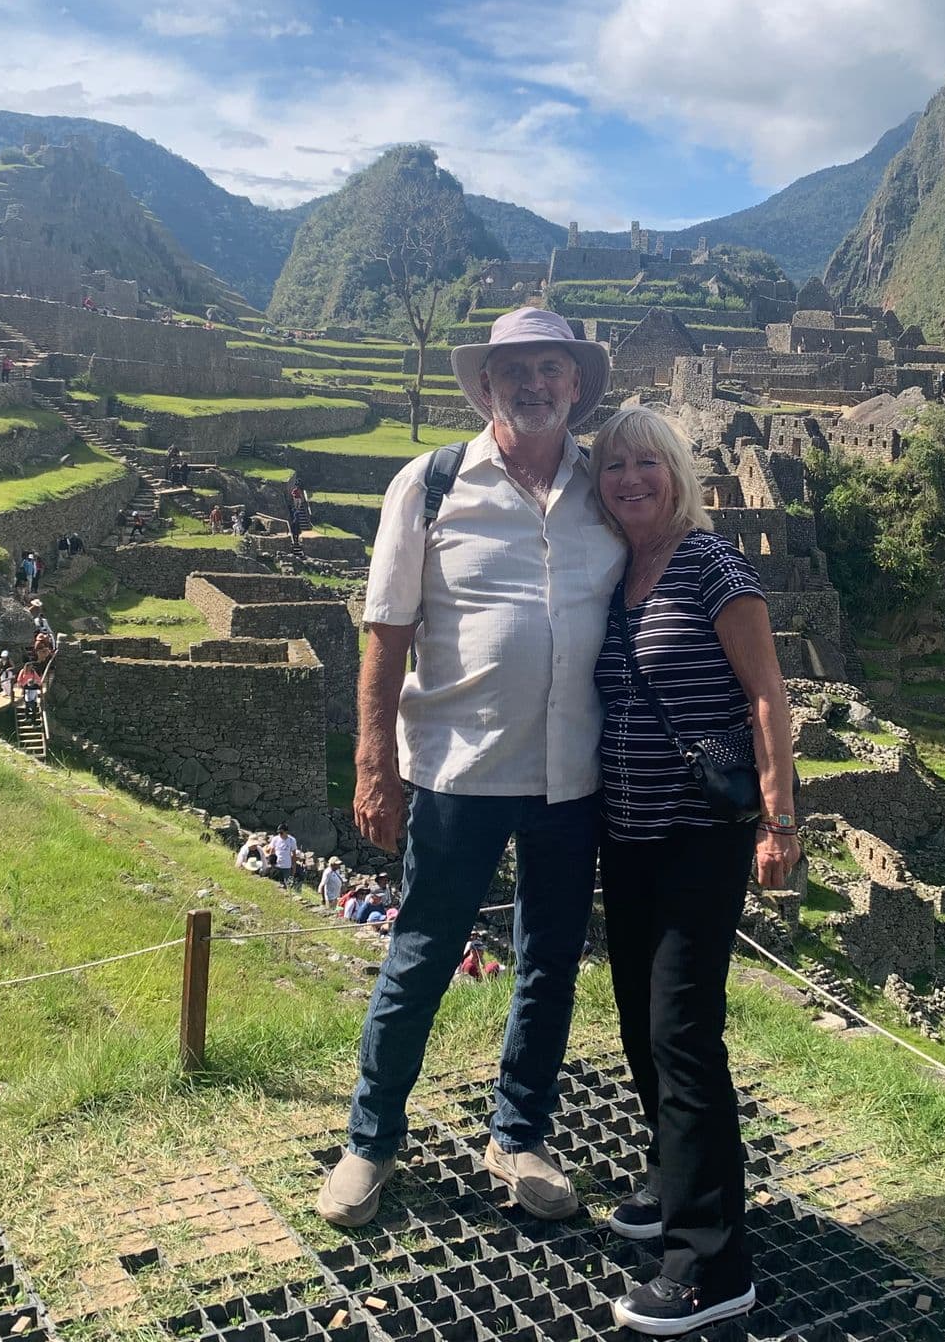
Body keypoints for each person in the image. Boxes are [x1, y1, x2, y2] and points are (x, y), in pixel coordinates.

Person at [317, 307, 623, 1231]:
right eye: (513, 371)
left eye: (550, 369)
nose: (533, 385)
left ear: (575, 383)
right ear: (486, 386)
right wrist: (375, 762)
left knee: (549, 966)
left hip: (573, 776)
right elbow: (386, 629)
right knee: (418, 956)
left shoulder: (603, 487)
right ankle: (369, 1144)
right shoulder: (431, 485)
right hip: (457, 771)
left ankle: (519, 1134)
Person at [589, 407, 799, 1337]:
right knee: (640, 1018)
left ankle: (711, 1263)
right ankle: (677, 1179)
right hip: (624, 836)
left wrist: (780, 823)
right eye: (615, 467)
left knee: (683, 1033)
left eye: (648, 463)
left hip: (699, 839)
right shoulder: (615, 575)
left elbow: (766, 695)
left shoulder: (714, 566)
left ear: (676, 472)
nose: (631, 479)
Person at [286, 482, 312, 548]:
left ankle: (296, 541)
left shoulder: (295, 518)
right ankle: (296, 541)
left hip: (296, 526)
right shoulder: (295, 490)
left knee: (298, 502)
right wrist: (295, 496)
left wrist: (300, 496)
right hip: (296, 526)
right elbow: (293, 493)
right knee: (296, 533)